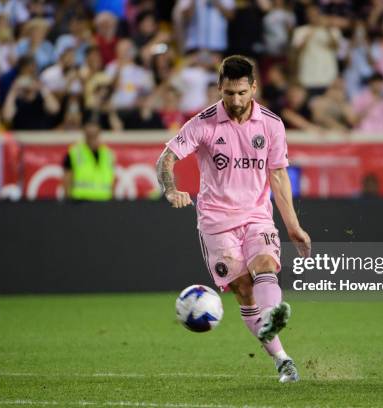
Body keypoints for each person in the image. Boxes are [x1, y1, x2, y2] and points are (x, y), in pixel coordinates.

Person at [156, 55, 311, 383]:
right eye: (229, 93)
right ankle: (282, 359)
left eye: (242, 93)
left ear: (254, 88)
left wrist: (293, 226)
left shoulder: (271, 124)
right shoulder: (203, 123)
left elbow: (279, 177)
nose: (236, 100)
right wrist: (171, 190)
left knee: (266, 263)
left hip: (257, 214)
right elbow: (166, 159)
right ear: (219, 89)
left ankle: (272, 317)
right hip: (216, 221)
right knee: (243, 288)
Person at [62, 121, 115, 201]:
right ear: (85, 133)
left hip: (104, 200)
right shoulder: (74, 153)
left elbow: (112, 179)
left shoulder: (108, 154)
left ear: (99, 134)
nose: (92, 137)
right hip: (80, 200)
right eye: (89, 135)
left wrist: (112, 198)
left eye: (94, 134)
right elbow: (67, 178)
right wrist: (68, 199)